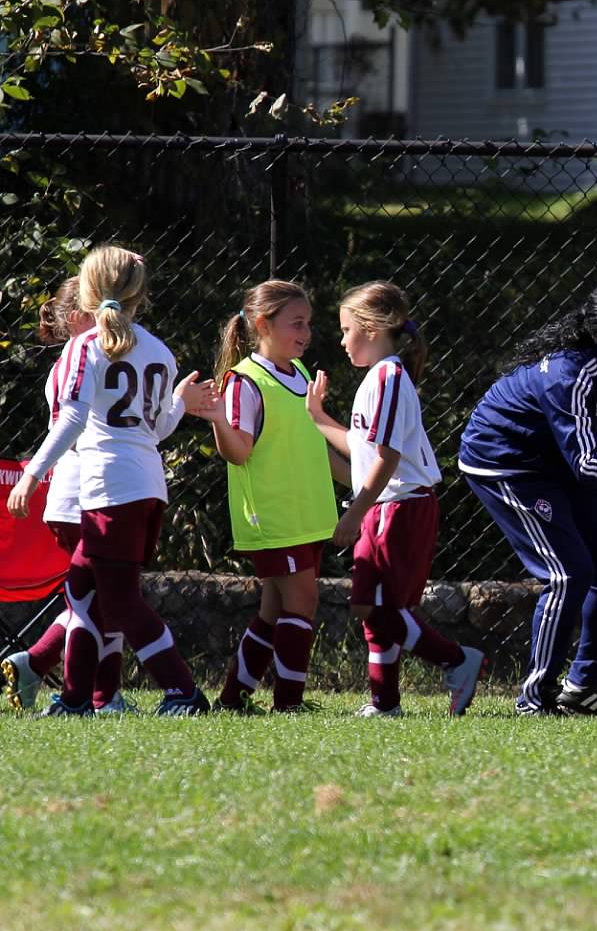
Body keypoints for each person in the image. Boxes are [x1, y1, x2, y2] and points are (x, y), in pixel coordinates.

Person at [5, 245, 217, 716]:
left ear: (87, 290)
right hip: (146, 486)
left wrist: (32, 475)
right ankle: (76, 700)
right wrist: (180, 404)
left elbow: (72, 417)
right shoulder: (159, 350)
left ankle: (183, 692)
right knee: (83, 595)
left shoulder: (85, 347)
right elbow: (157, 429)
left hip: (108, 488)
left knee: (120, 604)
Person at [460, 280, 597, 718]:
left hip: (557, 465)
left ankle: (583, 686)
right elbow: (588, 463)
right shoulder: (574, 375)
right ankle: (535, 697)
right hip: (508, 465)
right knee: (568, 574)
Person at [305, 281, 484, 716]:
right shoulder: (380, 378)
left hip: (399, 507)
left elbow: (387, 458)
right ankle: (384, 703)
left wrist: (354, 514)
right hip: (388, 506)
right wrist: (316, 418)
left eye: (346, 330)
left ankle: (457, 660)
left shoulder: (388, 378)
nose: (342, 340)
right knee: (377, 608)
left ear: (370, 329)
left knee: (374, 606)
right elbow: (362, 449)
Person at [199, 280, 338, 713]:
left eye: (308, 323)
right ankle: (288, 704)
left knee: (274, 611)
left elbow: (313, 445)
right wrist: (218, 420)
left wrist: (364, 481)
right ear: (262, 324)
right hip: (275, 517)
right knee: (303, 602)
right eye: (296, 323)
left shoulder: (300, 374)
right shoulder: (245, 381)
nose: (306, 332)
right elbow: (238, 452)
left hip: (307, 515)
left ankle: (232, 700)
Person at [2, 277, 131, 715]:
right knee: (108, 598)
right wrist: (32, 476)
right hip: (82, 495)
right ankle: (98, 695)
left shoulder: (86, 358)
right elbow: (74, 427)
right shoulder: (80, 359)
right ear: (78, 318)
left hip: (83, 494)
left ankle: (36, 664)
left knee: (96, 598)